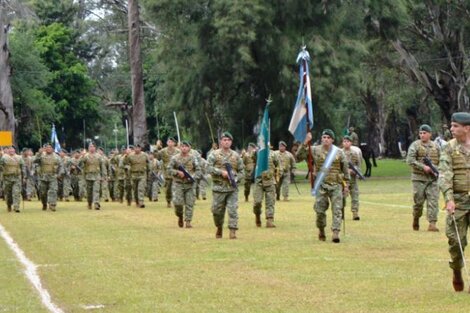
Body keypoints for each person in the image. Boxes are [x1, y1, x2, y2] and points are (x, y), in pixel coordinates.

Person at [297, 129, 350, 243]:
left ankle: (335, 232)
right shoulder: (314, 150)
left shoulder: (339, 152)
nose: (325, 139)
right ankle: (321, 229)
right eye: (324, 137)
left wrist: (346, 186)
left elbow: (345, 170)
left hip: (336, 185)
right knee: (320, 211)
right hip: (321, 185)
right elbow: (298, 157)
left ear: (332, 140)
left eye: (328, 138)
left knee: (337, 209)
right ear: (321, 139)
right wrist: (305, 142)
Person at [438, 112, 470, 292]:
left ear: (467, 128)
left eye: (455, 126)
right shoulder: (448, 148)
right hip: (457, 202)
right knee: (456, 242)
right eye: (451, 126)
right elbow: (444, 174)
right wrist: (449, 199)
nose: (451, 129)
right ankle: (457, 270)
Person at [207, 132, 244, 239]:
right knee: (217, 211)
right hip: (218, 189)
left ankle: (233, 231)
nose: (226, 142)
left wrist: (235, 178)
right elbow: (208, 167)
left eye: (228, 140)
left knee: (233, 210)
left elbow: (242, 171)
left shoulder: (236, 156)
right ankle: (219, 227)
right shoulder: (214, 154)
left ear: (231, 142)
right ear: (221, 142)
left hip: (232, 189)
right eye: (224, 140)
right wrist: (220, 172)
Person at [406, 124, 440, 232]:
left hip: (432, 180)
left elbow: (443, 161)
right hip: (419, 179)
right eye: (420, 133)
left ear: (430, 134)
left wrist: (436, 170)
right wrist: (423, 167)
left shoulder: (436, 146)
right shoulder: (415, 145)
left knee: (433, 201)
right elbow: (410, 160)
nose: (422, 135)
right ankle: (416, 218)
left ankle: (432, 223)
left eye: (424, 133)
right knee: (418, 202)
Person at [168, 141, 201, 228]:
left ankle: (188, 221)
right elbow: (169, 169)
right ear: (179, 148)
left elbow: (198, 170)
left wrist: (193, 177)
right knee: (178, 203)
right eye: (182, 146)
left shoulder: (193, 158)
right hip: (178, 184)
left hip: (189, 184)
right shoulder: (175, 158)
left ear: (189, 148)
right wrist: (177, 172)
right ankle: (180, 216)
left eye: (186, 146)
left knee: (190, 203)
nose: (184, 148)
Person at [253, 147, 280, 228]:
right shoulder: (258, 152)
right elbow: (252, 158)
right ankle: (257, 215)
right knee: (257, 202)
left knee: (270, 202)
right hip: (259, 181)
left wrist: (278, 175)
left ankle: (269, 220)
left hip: (270, 181)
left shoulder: (273, 154)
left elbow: (278, 165)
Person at [34, 143, 63, 211]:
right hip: (43, 177)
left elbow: (61, 166)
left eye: (50, 147)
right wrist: (39, 153)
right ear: (45, 149)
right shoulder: (41, 156)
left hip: (53, 176)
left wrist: (59, 174)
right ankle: (44, 204)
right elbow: (35, 161)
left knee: (53, 191)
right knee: (43, 192)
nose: (48, 149)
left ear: (52, 149)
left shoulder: (56, 157)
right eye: (47, 147)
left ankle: (52, 205)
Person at [79, 143, 107, 210]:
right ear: (88, 148)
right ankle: (89, 203)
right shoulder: (85, 156)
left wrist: (104, 176)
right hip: (88, 175)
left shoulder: (99, 156)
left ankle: (96, 204)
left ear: (95, 148)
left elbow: (102, 166)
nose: (91, 148)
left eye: (93, 147)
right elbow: (80, 164)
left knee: (96, 190)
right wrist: (82, 156)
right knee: (89, 191)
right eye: (90, 147)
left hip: (97, 175)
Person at [156, 137, 180, 208]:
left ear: (174, 143)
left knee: (177, 188)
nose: (170, 143)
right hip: (167, 173)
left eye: (172, 142)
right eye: (169, 142)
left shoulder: (178, 151)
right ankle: (169, 201)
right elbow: (156, 156)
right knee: (168, 189)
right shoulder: (163, 151)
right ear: (167, 143)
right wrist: (157, 148)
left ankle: (176, 201)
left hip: (176, 172)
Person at [124, 143, 150, 208]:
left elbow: (148, 163)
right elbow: (126, 163)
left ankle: (141, 202)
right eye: (135, 148)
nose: (137, 149)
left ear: (140, 148)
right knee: (135, 189)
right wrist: (127, 168)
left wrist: (149, 171)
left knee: (141, 188)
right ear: (134, 149)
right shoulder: (130, 156)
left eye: (138, 148)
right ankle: (137, 201)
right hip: (133, 174)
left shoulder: (145, 155)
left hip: (142, 174)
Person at [342, 135, 361, 220]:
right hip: (343, 179)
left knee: (355, 196)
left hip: (352, 178)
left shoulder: (354, 153)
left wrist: (355, 171)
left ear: (351, 143)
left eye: (348, 141)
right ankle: (341, 212)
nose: (346, 143)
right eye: (344, 141)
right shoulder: (340, 153)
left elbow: (358, 165)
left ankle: (355, 213)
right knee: (342, 196)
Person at [0, 146, 25, 212]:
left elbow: (23, 167)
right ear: (8, 150)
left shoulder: (19, 158)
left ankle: (16, 207)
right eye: (10, 149)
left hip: (16, 178)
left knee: (16, 192)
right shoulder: (4, 157)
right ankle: (9, 205)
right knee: (8, 194)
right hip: (7, 178)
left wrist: (24, 177)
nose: (11, 150)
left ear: (15, 150)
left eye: (12, 149)